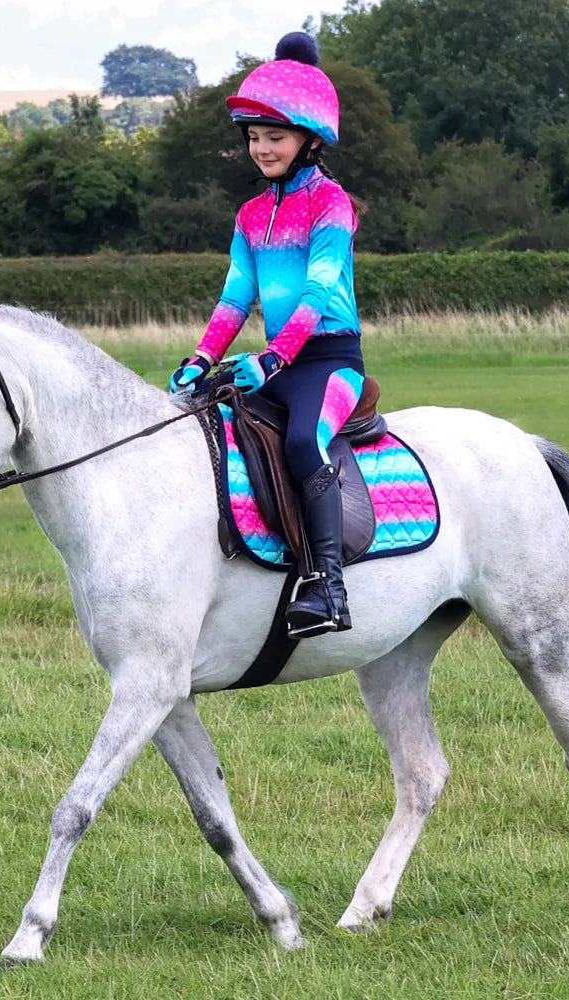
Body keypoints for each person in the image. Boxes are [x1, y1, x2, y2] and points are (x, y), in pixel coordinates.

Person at [169, 31, 366, 639]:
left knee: (306, 442)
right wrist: (202, 357)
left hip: (328, 361)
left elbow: (317, 293)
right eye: (254, 138)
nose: (261, 148)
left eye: (274, 137)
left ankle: (329, 587)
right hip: (273, 364)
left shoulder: (331, 204)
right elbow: (235, 297)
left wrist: (275, 357)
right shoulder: (251, 215)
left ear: (309, 140)